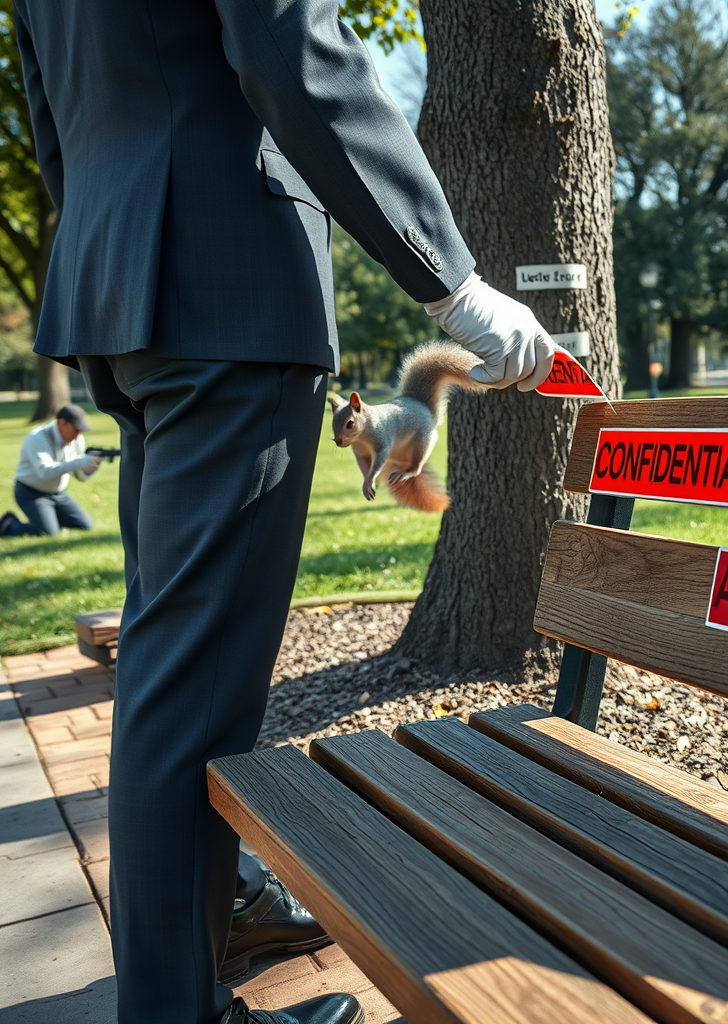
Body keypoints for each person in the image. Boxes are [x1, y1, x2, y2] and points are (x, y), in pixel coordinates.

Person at [13, 3, 555, 1024]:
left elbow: (51, 111)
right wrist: (456, 287)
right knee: (191, 689)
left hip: (122, 290)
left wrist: (111, 248)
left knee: (168, 668)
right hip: (230, 294)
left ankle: (212, 916)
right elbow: (291, 44)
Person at [0, 403, 102, 537]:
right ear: (62, 423)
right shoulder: (37, 437)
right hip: (31, 493)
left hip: (58, 494)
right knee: (48, 532)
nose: (79, 435)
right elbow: (44, 472)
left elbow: (80, 475)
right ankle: (9, 525)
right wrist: (79, 461)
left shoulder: (77, 439)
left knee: (84, 525)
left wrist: (89, 469)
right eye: (76, 430)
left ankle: (48, 518)